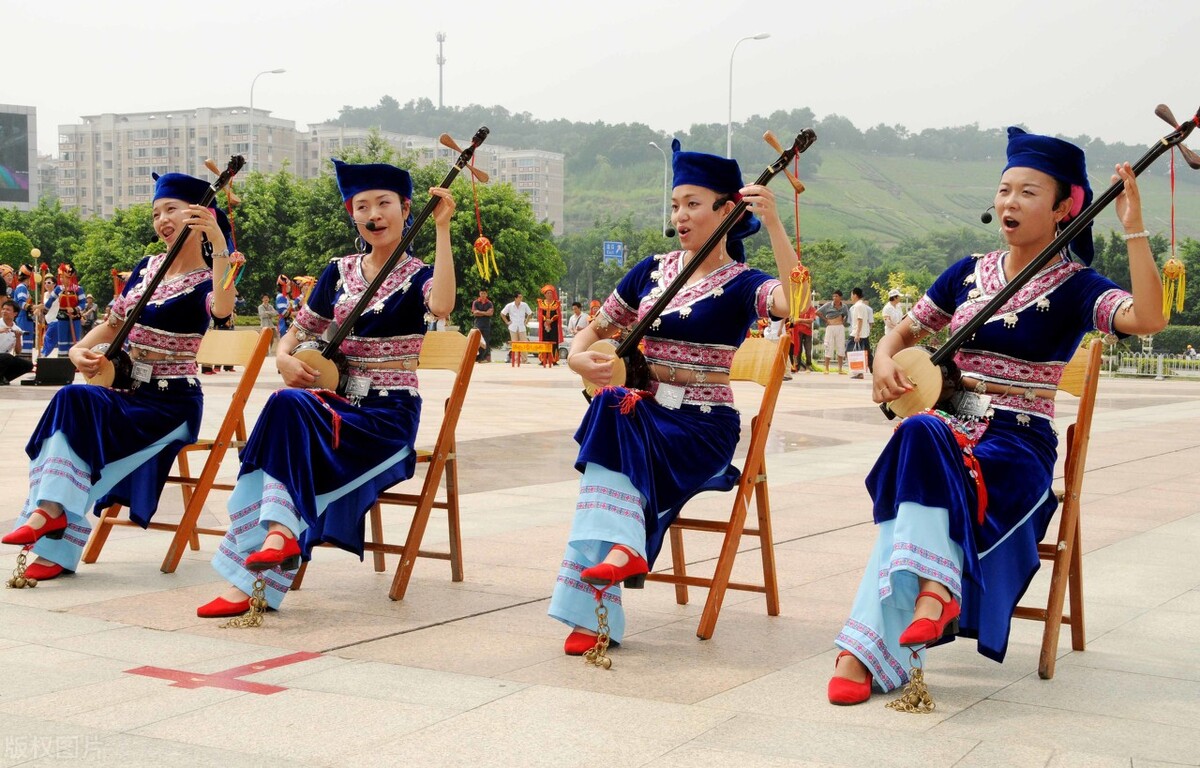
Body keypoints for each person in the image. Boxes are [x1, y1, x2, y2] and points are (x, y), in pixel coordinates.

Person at [828, 127, 1167, 705]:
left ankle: (862, 650)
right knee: (922, 429)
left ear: (1066, 208)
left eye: (1029, 192)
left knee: (919, 446)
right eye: (1005, 189)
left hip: (1015, 444)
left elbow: (1149, 318)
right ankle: (933, 594)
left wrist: (1133, 226)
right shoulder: (966, 273)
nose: (1009, 202)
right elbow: (903, 332)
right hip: (946, 427)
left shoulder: (1079, 286)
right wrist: (883, 360)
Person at [550, 138, 797, 655]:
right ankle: (620, 551)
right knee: (611, 406)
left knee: (614, 417)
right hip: (645, 415)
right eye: (676, 204)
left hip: (701, 427)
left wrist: (775, 223)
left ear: (727, 211)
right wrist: (576, 357)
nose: (680, 215)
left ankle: (597, 600)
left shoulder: (744, 282)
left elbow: (794, 304)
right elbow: (594, 331)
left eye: (693, 204)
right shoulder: (650, 270)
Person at [196, 159, 457, 618]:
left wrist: (442, 230)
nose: (374, 214)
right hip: (332, 408)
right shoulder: (337, 271)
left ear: (406, 208)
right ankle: (276, 538)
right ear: (351, 213)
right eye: (362, 206)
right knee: (286, 404)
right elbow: (296, 333)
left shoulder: (419, 274)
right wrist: (282, 358)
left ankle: (260, 563)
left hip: (385, 418)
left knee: (286, 415)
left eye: (384, 203)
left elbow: (442, 305)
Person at [1, 171, 238, 582]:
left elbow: (222, 310)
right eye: (156, 212)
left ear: (200, 215)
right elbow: (111, 325)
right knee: (72, 399)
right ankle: (49, 512)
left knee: (81, 413)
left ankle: (51, 521)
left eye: (172, 210)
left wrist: (219, 244)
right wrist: (78, 349)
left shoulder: (215, 274)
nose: (162, 219)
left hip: (170, 402)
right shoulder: (146, 268)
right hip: (127, 391)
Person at [0, 299, 33, 384]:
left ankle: (4, 378)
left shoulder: (17, 329)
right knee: (7, 357)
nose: (4, 311)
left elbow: (18, 352)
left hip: (3, 358)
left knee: (28, 365)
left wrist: (18, 338)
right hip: (4, 357)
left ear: (15, 314)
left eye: (8, 310)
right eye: (3, 309)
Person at [816, 290, 849, 374]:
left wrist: (843, 322)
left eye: (836, 296)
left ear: (840, 297)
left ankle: (840, 369)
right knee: (828, 346)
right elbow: (817, 312)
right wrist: (826, 320)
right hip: (830, 327)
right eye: (833, 296)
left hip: (840, 327)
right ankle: (826, 368)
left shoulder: (844, 306)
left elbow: (846, 315)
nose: (834, 298)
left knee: (841, 347)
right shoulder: (828, 305)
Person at [847, 286, 874, 378]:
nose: (851, 296)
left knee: (851, 350)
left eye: (851, 294)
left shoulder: (858, 306)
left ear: (855, 295)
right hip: (864, 333)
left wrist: (857, 334)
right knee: (867, 353)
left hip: (858, 333)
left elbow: (860, 320)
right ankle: (874, 370)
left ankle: (859, 372)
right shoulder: (862, 305)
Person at [500, 292, 532, 365]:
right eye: (519, 297)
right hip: (513, 327)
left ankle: (524, 360)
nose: (521, 298)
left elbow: (530, 314)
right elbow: (502, 314)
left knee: (524, 343)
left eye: (521, 297)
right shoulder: (510, 305)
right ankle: (516, 360)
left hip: (522, 327)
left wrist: (526, 322)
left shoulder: (524, 305)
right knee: (515, 344)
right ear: (515, 298)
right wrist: (507, 322)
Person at [537, 284, 563, 367]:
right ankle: (543, 359)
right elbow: (540, 314)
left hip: (554, 325)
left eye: (551, 293)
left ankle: (554, 360)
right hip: (544, 326)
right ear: (545, 294)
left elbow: (558, 314)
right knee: (544, 341)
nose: (549, 294)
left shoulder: (556, 303)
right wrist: (545, 319)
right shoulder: (541, 303)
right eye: (547, 293)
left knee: (553, 342)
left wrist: (551, 320)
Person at [790, 298, 816, 372]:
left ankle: (808, 366)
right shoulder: (796, 309)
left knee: (808, 350)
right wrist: (805, 323)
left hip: (808, 332)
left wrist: (799, 320)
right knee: (798, 350)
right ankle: (796, 366)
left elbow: (811, 321)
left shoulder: (812, 309)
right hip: (797, 331)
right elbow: (793, 321)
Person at [471, 288, 494, 362]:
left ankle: (483, 358)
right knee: (478, 341)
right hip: (478, 324)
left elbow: (490, 313)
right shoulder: (476, 302)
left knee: (486, 341)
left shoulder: (489, 303)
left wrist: (480, 312)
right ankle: (476, 357)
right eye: (481, 293)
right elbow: (474, 312)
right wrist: (485, 313)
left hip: (486, 324)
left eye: (484, 293)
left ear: (486, 294)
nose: (483, 295)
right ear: (479, 294)